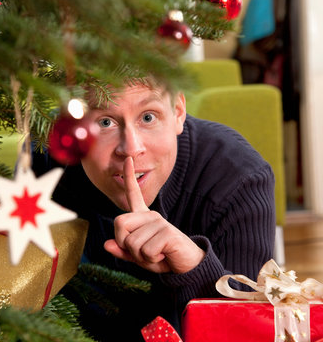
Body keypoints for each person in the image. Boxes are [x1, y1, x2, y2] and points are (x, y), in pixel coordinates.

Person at [32, 80, 275, 341]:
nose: (131, 148)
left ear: (178, 111)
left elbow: (250, 331)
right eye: (104, 122)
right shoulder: (45, 161)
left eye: (148, 117)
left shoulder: (238, 176)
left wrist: (194, 265)